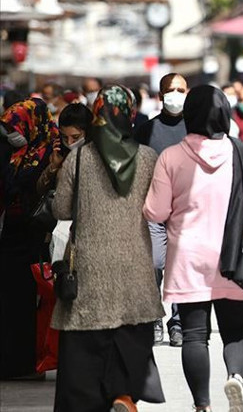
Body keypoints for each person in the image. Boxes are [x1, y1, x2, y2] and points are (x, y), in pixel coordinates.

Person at [144, 85, 243, 411]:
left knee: (194, 335)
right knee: (236, 330)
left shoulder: (171, 156)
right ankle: (236, 378)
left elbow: (155, 212)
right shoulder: (241, 152)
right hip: (233, 255)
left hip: (187, 256)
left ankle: (202, 405)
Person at [51, 85, 165, 410]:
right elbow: (157, 210)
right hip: (135, 268)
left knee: (85, 351)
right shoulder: (147, 158)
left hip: (89, 269)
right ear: (130, 114)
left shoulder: (78, 158)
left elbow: (60, 210)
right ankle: (124, 395)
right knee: (128, 340)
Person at [0, 98, 58, 380]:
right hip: (8, 234)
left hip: (36, 236)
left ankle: (29, 362)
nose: (12, 133)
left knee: (30, 303)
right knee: (10, 302)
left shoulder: (50, 149)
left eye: (16, 126)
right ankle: (11, 361)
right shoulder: (11, 151)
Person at [135, 72, 189, 347]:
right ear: (160, 96)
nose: (176, 95)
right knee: (156, 264)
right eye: (171, 90)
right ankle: (155, 317)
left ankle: (177, 323)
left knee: (179, 268)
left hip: (186, 212)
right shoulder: (146, 130)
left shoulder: (196, 128)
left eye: (181, 89)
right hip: (154, 210)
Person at [36, 103, 93, 196]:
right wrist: (53, 167)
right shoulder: (58, 153)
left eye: (76, 137)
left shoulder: (98, 155)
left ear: (88, 132)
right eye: (65, 137)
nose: (70, 143)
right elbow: (41, 190)